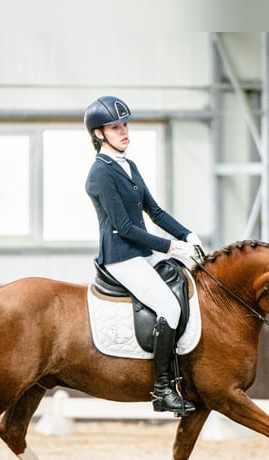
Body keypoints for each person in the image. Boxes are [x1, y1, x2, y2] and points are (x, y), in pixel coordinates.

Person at [84, 96, 201, 416]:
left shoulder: (128, 166)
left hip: (141, 254)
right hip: (121, 257)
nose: (124, 132)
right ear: (98, 134)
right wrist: (171, 247)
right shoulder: (101, 173)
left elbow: (155, 211)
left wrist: (187, 235)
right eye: (115, 127)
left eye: (125, 125)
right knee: (169, 307)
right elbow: (123, 227)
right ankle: (163, 390)